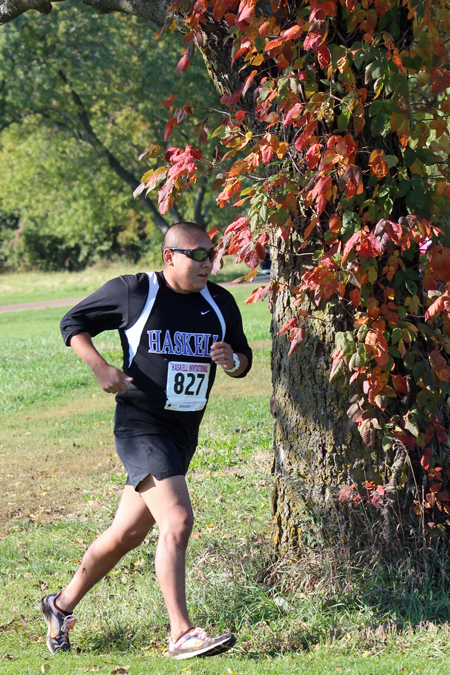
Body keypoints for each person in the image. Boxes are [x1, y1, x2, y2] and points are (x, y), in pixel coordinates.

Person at [40, 222, 252, 660]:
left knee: (128, 533)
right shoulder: (136, 291)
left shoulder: (220, 301)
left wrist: (232, 361)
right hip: (141, 423)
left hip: (182, 431)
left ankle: (58, 607)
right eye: (196, 254)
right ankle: (181, 633)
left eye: (212, 253)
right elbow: (72, 322)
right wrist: (100, 367)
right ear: (169, 255)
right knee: (176, 521)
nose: (207, 262)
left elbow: (244, 358)